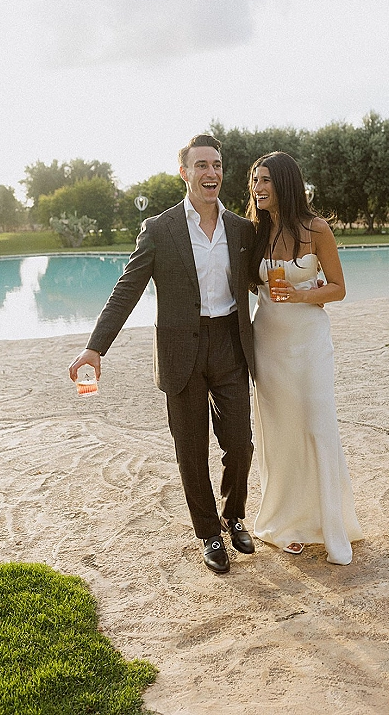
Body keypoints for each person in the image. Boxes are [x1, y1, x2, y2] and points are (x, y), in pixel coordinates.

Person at [68, 133, 256, 575]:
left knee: (241, 445)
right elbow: (126, 291)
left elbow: (264, 278)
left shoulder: (242, 230)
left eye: (217, 165)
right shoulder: (160, 229)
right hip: (180, 353)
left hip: (230, 345)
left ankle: (233, 515)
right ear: (184, 172)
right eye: (202, 165)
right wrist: (95, 348)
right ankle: (209, 532)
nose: (211, 173)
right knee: (191, 450)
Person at [247, 151, 363, 564]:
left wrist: (301, 294)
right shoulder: (254, 232)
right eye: (254, 181)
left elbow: (338, 288)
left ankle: (332, 526)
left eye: (265, 181)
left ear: (285, 184)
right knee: (280, 432)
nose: (258, 188)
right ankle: (283, 524)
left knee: (317, 422)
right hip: (269, 344)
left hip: (309, 341)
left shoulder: (317, 230)